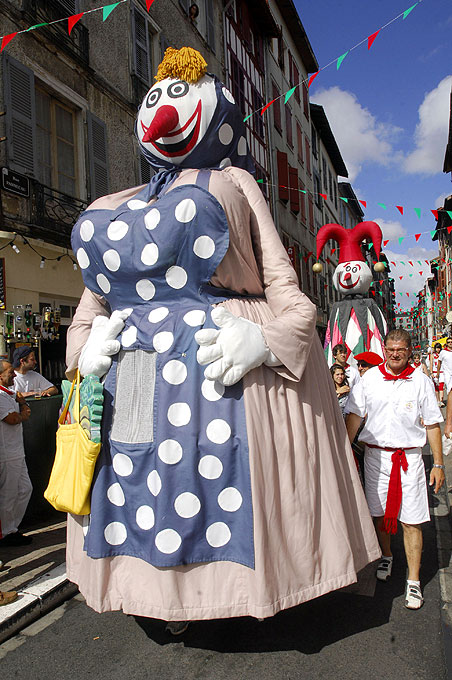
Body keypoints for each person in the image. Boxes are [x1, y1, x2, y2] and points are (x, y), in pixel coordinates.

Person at [63, 47, 380, 629]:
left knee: (205, 478)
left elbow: (290, 295)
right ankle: (155, 597)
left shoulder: (234, 180)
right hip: (131, 377)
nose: (162, 112)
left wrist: (266, 342)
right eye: (154, 99)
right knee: (136, 481)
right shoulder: (120, 203)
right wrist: (84, 350)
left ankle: (216, 597)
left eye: (178, 98)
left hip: (215, 367)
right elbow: (93, 304)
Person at [345, 329, 444, 610]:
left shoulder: (421, 382)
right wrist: (343, 452)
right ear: (385, 350)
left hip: (409, 459)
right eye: (390, 349)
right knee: (377, 514)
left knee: (411, 520)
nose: (395, 354)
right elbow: (354, 415)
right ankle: (386, 554)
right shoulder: (369, 379)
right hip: (375, 458)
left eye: (401, 349)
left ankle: (413, 581)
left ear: (410, 351)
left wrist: (437, 464)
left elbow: (432, 424)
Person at [0, 359, 33, 546]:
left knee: (25, 489)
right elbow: (12, 419)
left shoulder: (10, 394)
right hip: (6, 454)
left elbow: (22, 408)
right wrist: (22, 413)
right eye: (10, 372)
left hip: (17, 452)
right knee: (8, 494)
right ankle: (5, 533)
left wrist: (22, 405)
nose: (14, 375)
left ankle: (11, 528)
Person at [431, 342, 446, 407]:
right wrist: (431, 372)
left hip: (441, 372)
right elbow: (431, 364)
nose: (438, 349)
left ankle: (441, 401)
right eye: (437, 348)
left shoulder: (442, 355)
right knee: (436, 388)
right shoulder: (432, 355)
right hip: (434, 372)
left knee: (441, 387)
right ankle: (438, 401)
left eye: (439, 348)